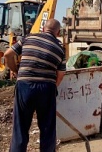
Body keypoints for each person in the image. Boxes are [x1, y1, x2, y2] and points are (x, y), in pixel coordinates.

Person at [4, 18, 66, 152]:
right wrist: (51, 88)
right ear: (58, 32)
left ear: (43, 28)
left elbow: (8, 54)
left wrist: (16, 71)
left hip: (25, 85)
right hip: (46, 88)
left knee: (20, 127)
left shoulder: (28, 38)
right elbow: (61, 75)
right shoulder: (60, 48)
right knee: (47, 128)